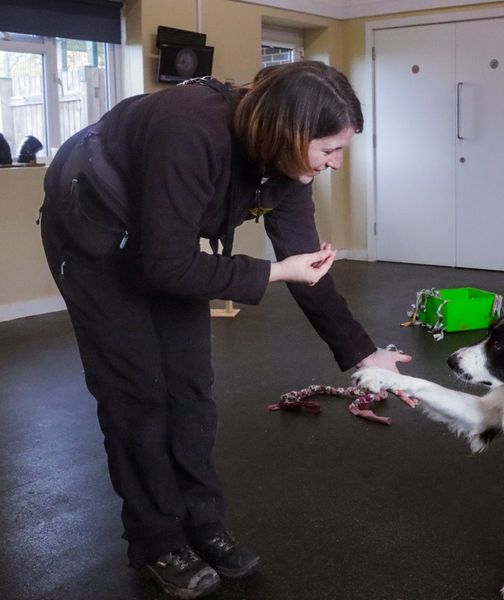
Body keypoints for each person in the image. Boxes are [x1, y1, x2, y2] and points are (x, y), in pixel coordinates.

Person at [39, 61, 411, 599]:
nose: (334, 163)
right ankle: (157, 541)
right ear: (289, 130)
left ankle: (202, 522)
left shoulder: (287, 166)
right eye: (329, 149)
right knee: (138, 396)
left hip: (161, 245)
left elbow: (306, 266)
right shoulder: (189, 128)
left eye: (341, 151)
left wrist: (363, 352)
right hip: (93, 235)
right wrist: (269, 272)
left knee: (190, 390)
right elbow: (164, 265)